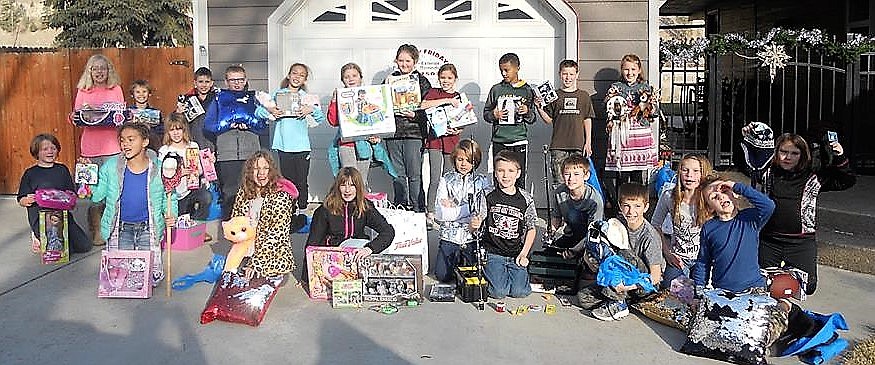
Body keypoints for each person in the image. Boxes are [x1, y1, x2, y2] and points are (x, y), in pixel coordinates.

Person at [753, 132, 856, 295]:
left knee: (807, 287)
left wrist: (839, 156)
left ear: (802, 155)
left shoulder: (813, 176)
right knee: (760, 285)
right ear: (776, 152)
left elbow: (847, 181)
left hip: (800, 242)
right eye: (783, 152)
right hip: (769, 240)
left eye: (794, 153)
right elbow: (746, 162)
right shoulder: (767, 172)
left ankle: (785, 279)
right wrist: (750, 137)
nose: (788, 157)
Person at [86, 122, 177, 285]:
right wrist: (89, 176)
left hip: (148, 228)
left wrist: (171, 214)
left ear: (145, 142)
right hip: (120, 228)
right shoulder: (111, 166)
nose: (125, 144)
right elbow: (97, 197)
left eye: (131, 139)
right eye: (122, 140)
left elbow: (169, 195)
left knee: (150, 279)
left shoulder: (158, 168)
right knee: (119, 278)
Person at [578, 183, 664, 321]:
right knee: (584, 298)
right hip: (619, 278)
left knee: (622, 255)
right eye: (626, 206)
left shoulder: (649, 236)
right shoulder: (615, 223)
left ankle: (618, 303)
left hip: (641, 284)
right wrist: (589, 259)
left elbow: (655, 277)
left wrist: (626, 287)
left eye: (637, 206)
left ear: (646, 207)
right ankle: (623, 300)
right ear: (619, 206)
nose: (631, 211)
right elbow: (596, 243)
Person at [202, 65, 272, 220]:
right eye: (233, 80)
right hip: (227, 154)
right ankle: (230, 228)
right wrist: (228, 124)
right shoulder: (218, 99)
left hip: (251, 153)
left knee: (253, 191)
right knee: (230, 193)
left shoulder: (254, 99)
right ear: (226, 82)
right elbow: (208, 125)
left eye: (240, 79)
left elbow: (263, 125)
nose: (237, 83)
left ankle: (254, 227)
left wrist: (250, 125)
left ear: (245, 80)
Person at [73, 54, 125, 246]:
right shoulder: (83, 90)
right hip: (90, 148)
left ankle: (113, 229)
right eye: (95, 69)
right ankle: (96, 231)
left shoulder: (116, 89)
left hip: (112, 146)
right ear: (90, 71)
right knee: (92, 193)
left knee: (113, 190)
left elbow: (120, 116)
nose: (99, 72)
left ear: (109, 70)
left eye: (103, 68)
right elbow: (78, 118)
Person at [691, 177, 775, 294]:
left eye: (724, 191)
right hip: (722, 291)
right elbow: (703, 261)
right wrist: (698, 291)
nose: (720, 197)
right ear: (710, 208)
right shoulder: (709, 228)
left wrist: (737, 187)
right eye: (714, 197)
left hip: (754, 288)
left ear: (734, 194)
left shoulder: (750, 218)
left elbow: (768, 205)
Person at [470, 150, 536, 299]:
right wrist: (474, 224)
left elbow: (531, 228)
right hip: (493, 252)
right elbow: (475, 227)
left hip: (516, 253)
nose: (506, 176)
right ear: (495, 173)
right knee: (498, 293)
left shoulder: (526, 198)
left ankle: (514, 275)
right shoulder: (487, 194)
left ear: (518, 173)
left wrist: (524, 253)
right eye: (501, 171)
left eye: (511, 171)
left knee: (520, 292)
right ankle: (495, 274)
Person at [326, 62, 397, 187]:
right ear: (342, 80)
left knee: (361, 181)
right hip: (346, 143)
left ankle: (360, 205)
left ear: (360, 77)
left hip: (365, 143)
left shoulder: (371, 94)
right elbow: (333, 121)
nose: (351, 79)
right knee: (348, 179)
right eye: (346, 77)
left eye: (354, 75)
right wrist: (333, 101)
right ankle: (347, 205)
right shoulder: (341, 97)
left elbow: (377, 122)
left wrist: (377, 136)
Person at [17, 134, 91, 253]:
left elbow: (71, 192)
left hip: (62, 215)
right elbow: (21, 199)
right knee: (59, 250)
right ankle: (37, 236)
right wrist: (29, 200)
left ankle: (47, 239)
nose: (50, 152)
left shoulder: (62, 169)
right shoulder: (30, 173)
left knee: (84, 246)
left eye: (53, 148)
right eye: (45, 149)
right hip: (42, 218)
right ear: (37, 152)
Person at [231, 151, 299, 279]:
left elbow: (277, 234)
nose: (261, 173)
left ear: (271, 171)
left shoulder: (281, 197)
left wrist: (255, 263)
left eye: (265, 168)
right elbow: (236, 221)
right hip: (247, 249)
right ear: (250, 172)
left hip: (271, 253)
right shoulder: (244, 191)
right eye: (256, 168)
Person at [433, 139, 492, 283]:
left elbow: (480, 210)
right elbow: (441, 214)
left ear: (475, 161)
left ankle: (461, 260)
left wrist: (455, 210)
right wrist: (468, 210)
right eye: (460, 159)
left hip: (472, 236)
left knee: (472, 275)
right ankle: (453, 261)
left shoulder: (482, 181)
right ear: (454, 159)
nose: (464, 164)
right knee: (442, 276)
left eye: (468, 160)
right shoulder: (446, 179)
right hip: (449, 235)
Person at [650, 154, 713, 289]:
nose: (689, 175)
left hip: (703, 259)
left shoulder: (710, 199)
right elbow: (655, 224)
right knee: (672, 294)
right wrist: (667, 253)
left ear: (703, 173)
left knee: (701, 296)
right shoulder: (668, 196)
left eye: (696, 171)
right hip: (678, 257)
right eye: (685, 170)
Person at [306, 167, 395, 261]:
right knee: (354, 245)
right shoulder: (325, 209)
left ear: (358, 187)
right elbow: (312, 244)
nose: (347, 190)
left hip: (357, 251)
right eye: (343, 185)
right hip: (334, 254)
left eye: (352, 185)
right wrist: (308, 273)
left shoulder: (364, 206)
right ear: (338, 187)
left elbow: (388, 231)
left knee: (382, 250)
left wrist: (370, 248)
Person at [271, 63, 326, 213]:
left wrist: (311, 109)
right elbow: (260, 112)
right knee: (288, 182)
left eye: (301, 75)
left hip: (302, 147)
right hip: (284, 146)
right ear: (289, 75)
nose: (297, 77)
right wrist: (271, 110)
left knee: (302, 181)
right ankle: (289, 211)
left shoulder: (307, 98)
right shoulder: (278, 95)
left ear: (305, 80)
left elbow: (321, 118)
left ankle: (302, 211)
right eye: (295, 73)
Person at [604, 54, 659, 202]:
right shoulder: (616, 88)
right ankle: (621, 208)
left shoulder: (646, 88)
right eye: (626, 69)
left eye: (633, 69)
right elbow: (609, 110)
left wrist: (650, 106)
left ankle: (638, 207)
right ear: (622, 70)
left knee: (638, 176)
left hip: (640, 135)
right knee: (622, 175)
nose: (630, 73)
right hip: (622, 135)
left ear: (639, 70)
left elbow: (655, 114)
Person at [384, 44, 432, 212]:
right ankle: (400, 207)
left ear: (415, 61)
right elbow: (380, 105)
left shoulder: (422, 81)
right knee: (397, 173)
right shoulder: (389, 80)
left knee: (414, 174)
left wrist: (415, 116)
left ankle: (418, 209)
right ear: (396, 60)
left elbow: (429, 109)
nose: (404, 64)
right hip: (393, 134)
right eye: (401, 60)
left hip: (414, 133)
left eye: (408, 61)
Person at [420, 63, 468, 229]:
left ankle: (448, 212)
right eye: (443, 77)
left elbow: (464, 120)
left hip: (451, 141)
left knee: (449, 179)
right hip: (435, 141)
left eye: (449, 78)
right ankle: (430, 213)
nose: (445, 81)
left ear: (455, 79)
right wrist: (447, 100)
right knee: (435, 178)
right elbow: (423, 105)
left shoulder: (459, 97)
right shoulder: (434, 93)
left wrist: (458, 128)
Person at [536, 59, 596, 184]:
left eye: (571, 74)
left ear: (577, 75)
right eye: (565, 74)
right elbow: (548, 120)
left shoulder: (583, 96)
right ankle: (561, 204)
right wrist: (539, 108)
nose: (568, 77)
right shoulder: (554, 96)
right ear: (560, 74)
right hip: (558, 146)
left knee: (578, 182)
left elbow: (587, 118)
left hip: (578, 145)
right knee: (560, 182)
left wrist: (588, 142)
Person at [482, 53, 537, 189]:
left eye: (507, 70)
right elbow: (486, 114)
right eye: (501, 70)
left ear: (517, 68)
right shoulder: (496, 89)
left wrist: (526, 112)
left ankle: (519, 207)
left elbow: (532, 118)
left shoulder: (527, 90)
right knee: (499, 175)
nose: (504, 73)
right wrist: (494, 114)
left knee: (518, 176)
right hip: (499, 140)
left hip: (518, 139)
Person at [158, 113, 213, 240]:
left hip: (191, 188)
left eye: (179, 129)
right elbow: (161, 175)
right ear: (168, 132)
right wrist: (179, 173)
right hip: (174, 193)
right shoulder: (164, 150)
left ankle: (198, 227)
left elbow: (199, 170)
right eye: (172, 130)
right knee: (178, 225)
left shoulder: (193, 146)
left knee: (206, 197)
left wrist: (197, 169)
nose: (176, 133)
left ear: (184, 130)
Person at [548, 154, 604, 249]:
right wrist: (551, 232)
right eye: (567, 174)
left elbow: (594, 232)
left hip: (591, 239)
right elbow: (556, 217)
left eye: (576, 174)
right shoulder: (559, 192)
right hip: (571, 235)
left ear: (586, 176)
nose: (571, 178)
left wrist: (575, 250)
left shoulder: (595, 199)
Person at [176, 67, 217, 149]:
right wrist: (178, 113)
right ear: (195, 82)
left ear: (212, 83)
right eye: (200, 82)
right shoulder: (187, 99)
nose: (204, 85)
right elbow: (177, 122)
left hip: (212, 142)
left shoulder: (217, 99)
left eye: (207, 82)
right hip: (192, 141)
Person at [128, 79, 163, 150]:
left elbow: (161, 132)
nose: (141, 94)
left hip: (151, 146)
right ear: (132, 94)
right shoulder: (128, 112)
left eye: (144, 91)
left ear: (149, 94)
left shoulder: (155, 113)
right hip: (132, 146)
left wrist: (149, 128)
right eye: (138, 92)